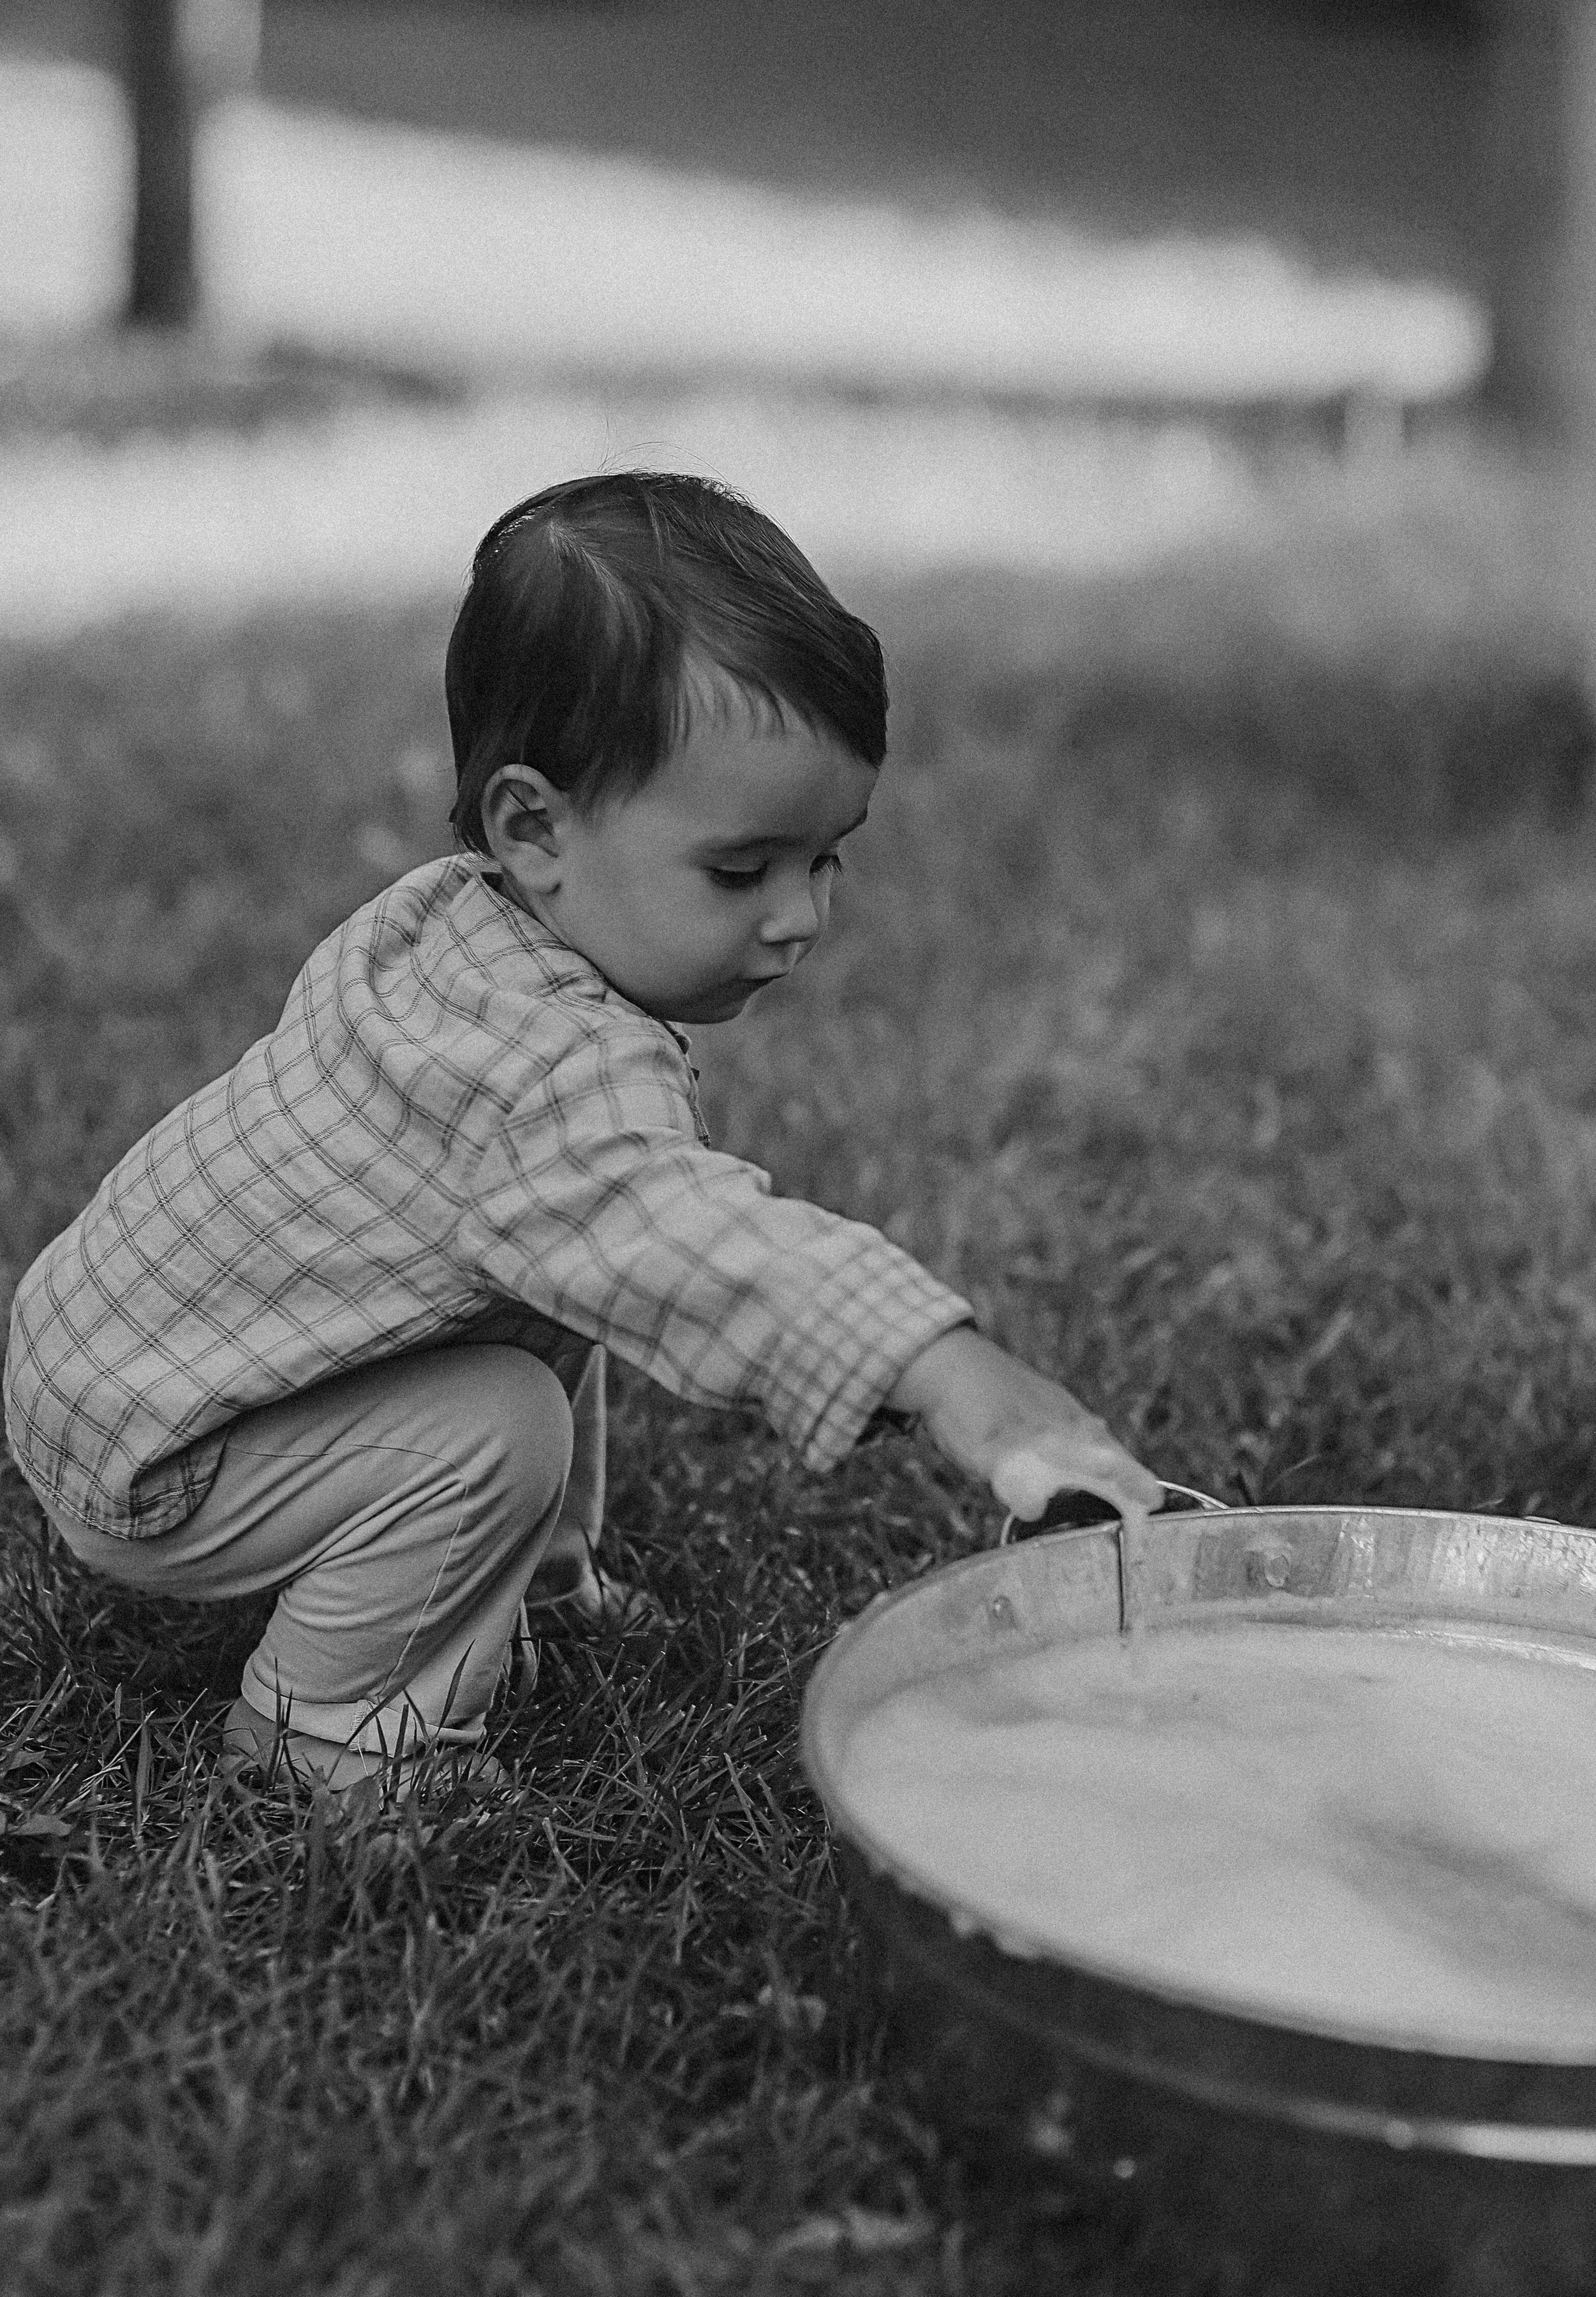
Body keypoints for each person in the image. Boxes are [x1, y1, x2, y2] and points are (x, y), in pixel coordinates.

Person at [2, 474, 1162, 1798]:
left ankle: (518, 1585)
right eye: (741, 871)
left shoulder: (456, 927)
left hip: (119, 1362)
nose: (799, 919)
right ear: (534, 827)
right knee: (494, 1422)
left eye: (825, 859)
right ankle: (329, 1736)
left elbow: (592, 1263)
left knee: (547, 1294)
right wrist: (937, 1364)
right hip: (165, 1452)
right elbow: (698, 1247)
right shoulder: (541, 1076)